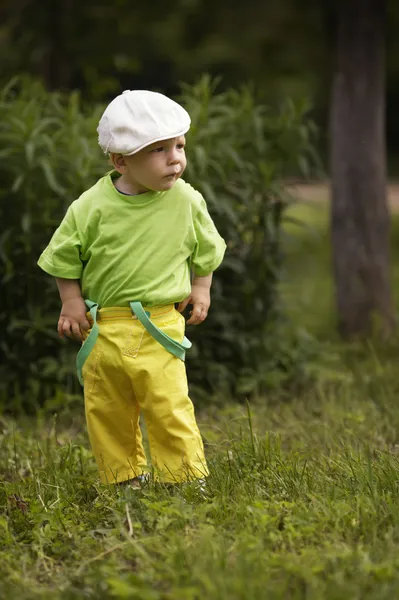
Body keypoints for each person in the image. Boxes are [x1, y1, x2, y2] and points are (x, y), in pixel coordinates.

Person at [37, 90, 226, 487]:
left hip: (160, 325)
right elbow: (63, 257)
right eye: (159, 149)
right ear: (121, 160)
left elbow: (205, 250)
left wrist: (201, 289)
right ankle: (123, 478)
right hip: (103, 328)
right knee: (108, 409)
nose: (175, 158)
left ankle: (184, 478)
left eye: (179, 145)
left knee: (169, 405)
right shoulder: (90, 207)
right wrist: (70, 302)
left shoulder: (186, 201)